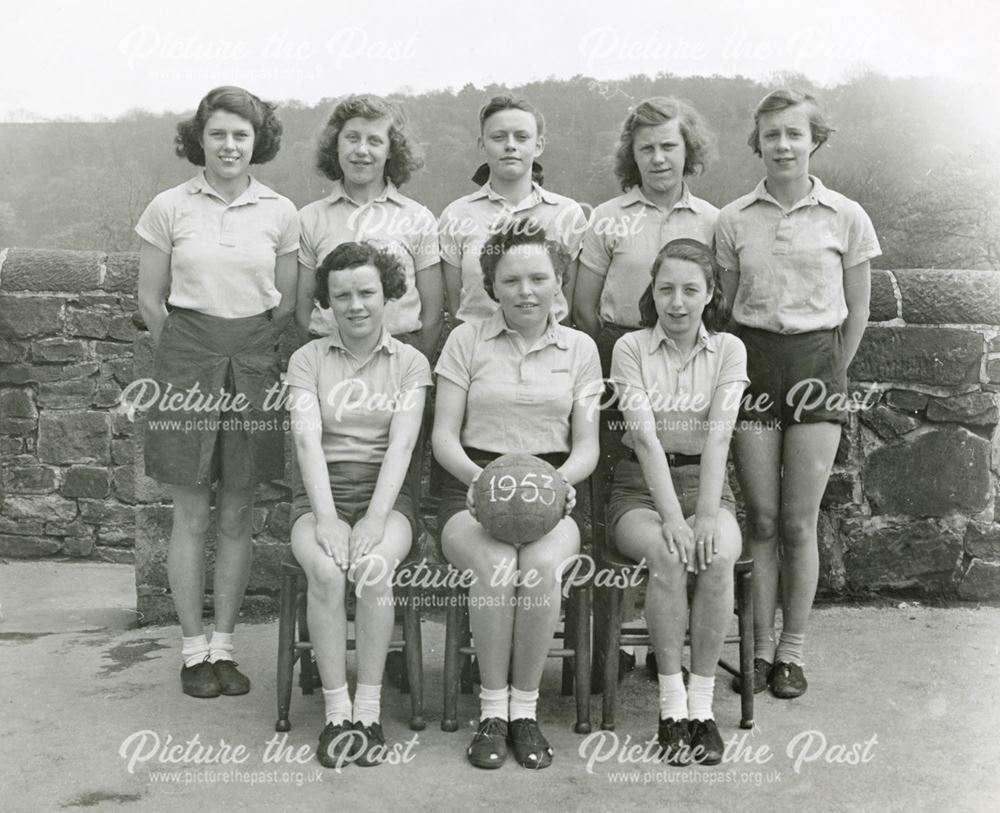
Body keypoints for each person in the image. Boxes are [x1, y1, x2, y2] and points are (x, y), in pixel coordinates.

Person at [715, 89, 881, 699]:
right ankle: (757, 652)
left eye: (794, 134)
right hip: (755, 363)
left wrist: (833, 370)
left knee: (797, 520)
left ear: (814, 141)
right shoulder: (733, 219)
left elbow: (858, 309)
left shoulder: (846, 215)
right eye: (770, 135)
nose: (782, 145)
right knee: (759, 517)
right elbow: (729, 306)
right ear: (756, 142)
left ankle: (792, 652)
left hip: (817, 364)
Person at [135, 86, 298, 699]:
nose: (230, 145)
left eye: (242, 134)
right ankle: (191, 648)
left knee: (237, 513)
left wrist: (244, 355)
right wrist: (186, 355)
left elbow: (285, 305)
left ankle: (225, 646)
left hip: (252, 364)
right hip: (187, 364)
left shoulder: (281, 211)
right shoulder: (168, 206)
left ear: (258, 141)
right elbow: (150, 301)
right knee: (191, 512)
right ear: (198, 137)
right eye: (219, 133)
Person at [432, 220, 602, 769]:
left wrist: (559, 486)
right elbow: (442, 436)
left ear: (559, 282)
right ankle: (492, 712)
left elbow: (587, 446)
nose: (525, 291)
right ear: (492, 286)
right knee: (497, 563)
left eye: (538, 278)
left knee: (540, 569)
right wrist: (481, 485)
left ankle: (524, 711)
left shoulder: (581, 349)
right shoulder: (465, 340)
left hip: (555, 491)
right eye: (511, 280)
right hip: (473, 488)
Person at [287, 241, 431, 768]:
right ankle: (336, 713)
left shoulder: (411, 363)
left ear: (387, 294)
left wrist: (373, 518)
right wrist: (325, 518)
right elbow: (306, 440)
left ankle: (368, 713)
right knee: (326, 571)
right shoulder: (307, 359)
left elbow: (402, 445)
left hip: (386, 497)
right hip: (320, 494)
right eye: (341, 295)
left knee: (372, 568)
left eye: (366, 292)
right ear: (325, 301)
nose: (355, 305)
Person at [609, 238, 747, 765]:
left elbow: (719, 436)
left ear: (710, 293)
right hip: (641, 488)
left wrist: (707, 516)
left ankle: (702, 710)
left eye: (691, 290)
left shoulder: (729, 351)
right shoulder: (631, 349)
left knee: (715, 554)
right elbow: (643, 437)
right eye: (666, 289)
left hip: (707, 487)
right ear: (653, 291)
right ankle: (670, 709)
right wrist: (672, 519)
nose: (678, 302)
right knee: (669, 554)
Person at [573, 97, 719, 376]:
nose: (658, 158)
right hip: (618, 352)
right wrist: (617, 350)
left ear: (688, 150)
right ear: (633, 156)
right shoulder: (606, 217)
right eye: (647, 149)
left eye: (668, 146)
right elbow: (583, 309)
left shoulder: (713, 220)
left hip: (690, 358)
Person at [295, 94, 443, 358]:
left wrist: (415, 364)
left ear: (391, 151)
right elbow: (303, 307)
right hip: (329, 355)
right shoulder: (310, 218)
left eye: (375, 141)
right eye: (352, 138)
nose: (361, 150)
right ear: (335, 145)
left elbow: (432, 313)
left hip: (401, 354)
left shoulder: (418, 217)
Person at [438, 95, 588, 325]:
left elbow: (566, 305)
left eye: (521, 137)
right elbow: (457, 304)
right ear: (482, 144)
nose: (510, 145)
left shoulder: (567, 213)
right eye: (498, 137)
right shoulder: (456, 215)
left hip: (549, 351)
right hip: (478, 351)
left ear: (538, 145)